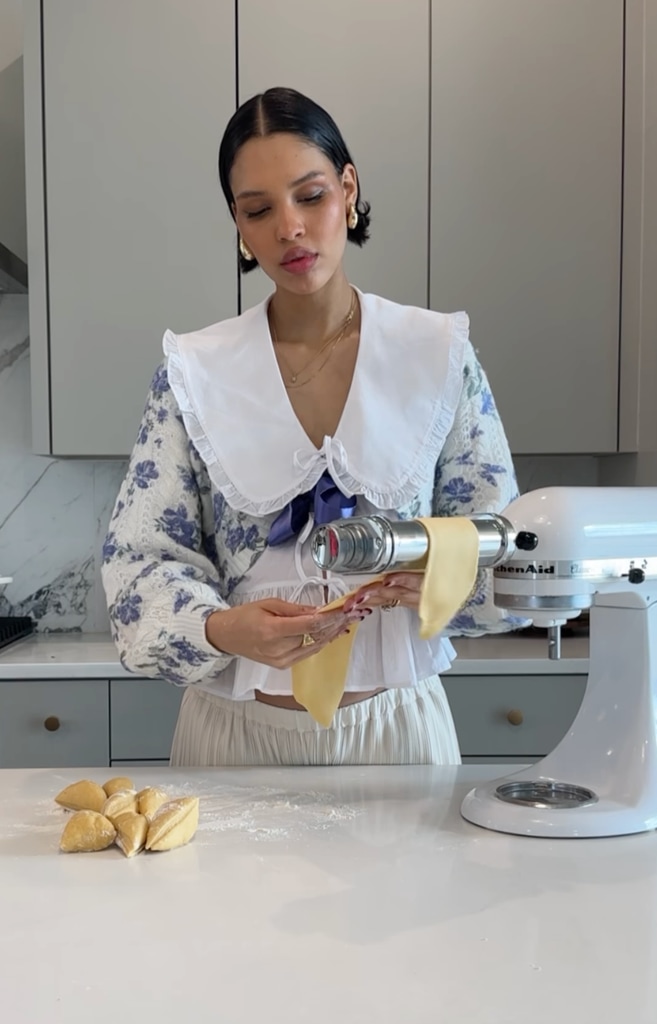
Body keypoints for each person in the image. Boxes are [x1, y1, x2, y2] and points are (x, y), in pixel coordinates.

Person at [102, 86, 524, 768]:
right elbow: (139, 562)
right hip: (230, 737)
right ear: (238, 225)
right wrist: (220, 627)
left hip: (399, 737)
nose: (289, 228)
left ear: (348, 189)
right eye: (257, 210)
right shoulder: (193, 370)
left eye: (310, 195)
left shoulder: (436, 354)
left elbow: (506, 542)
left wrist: (452, 581)